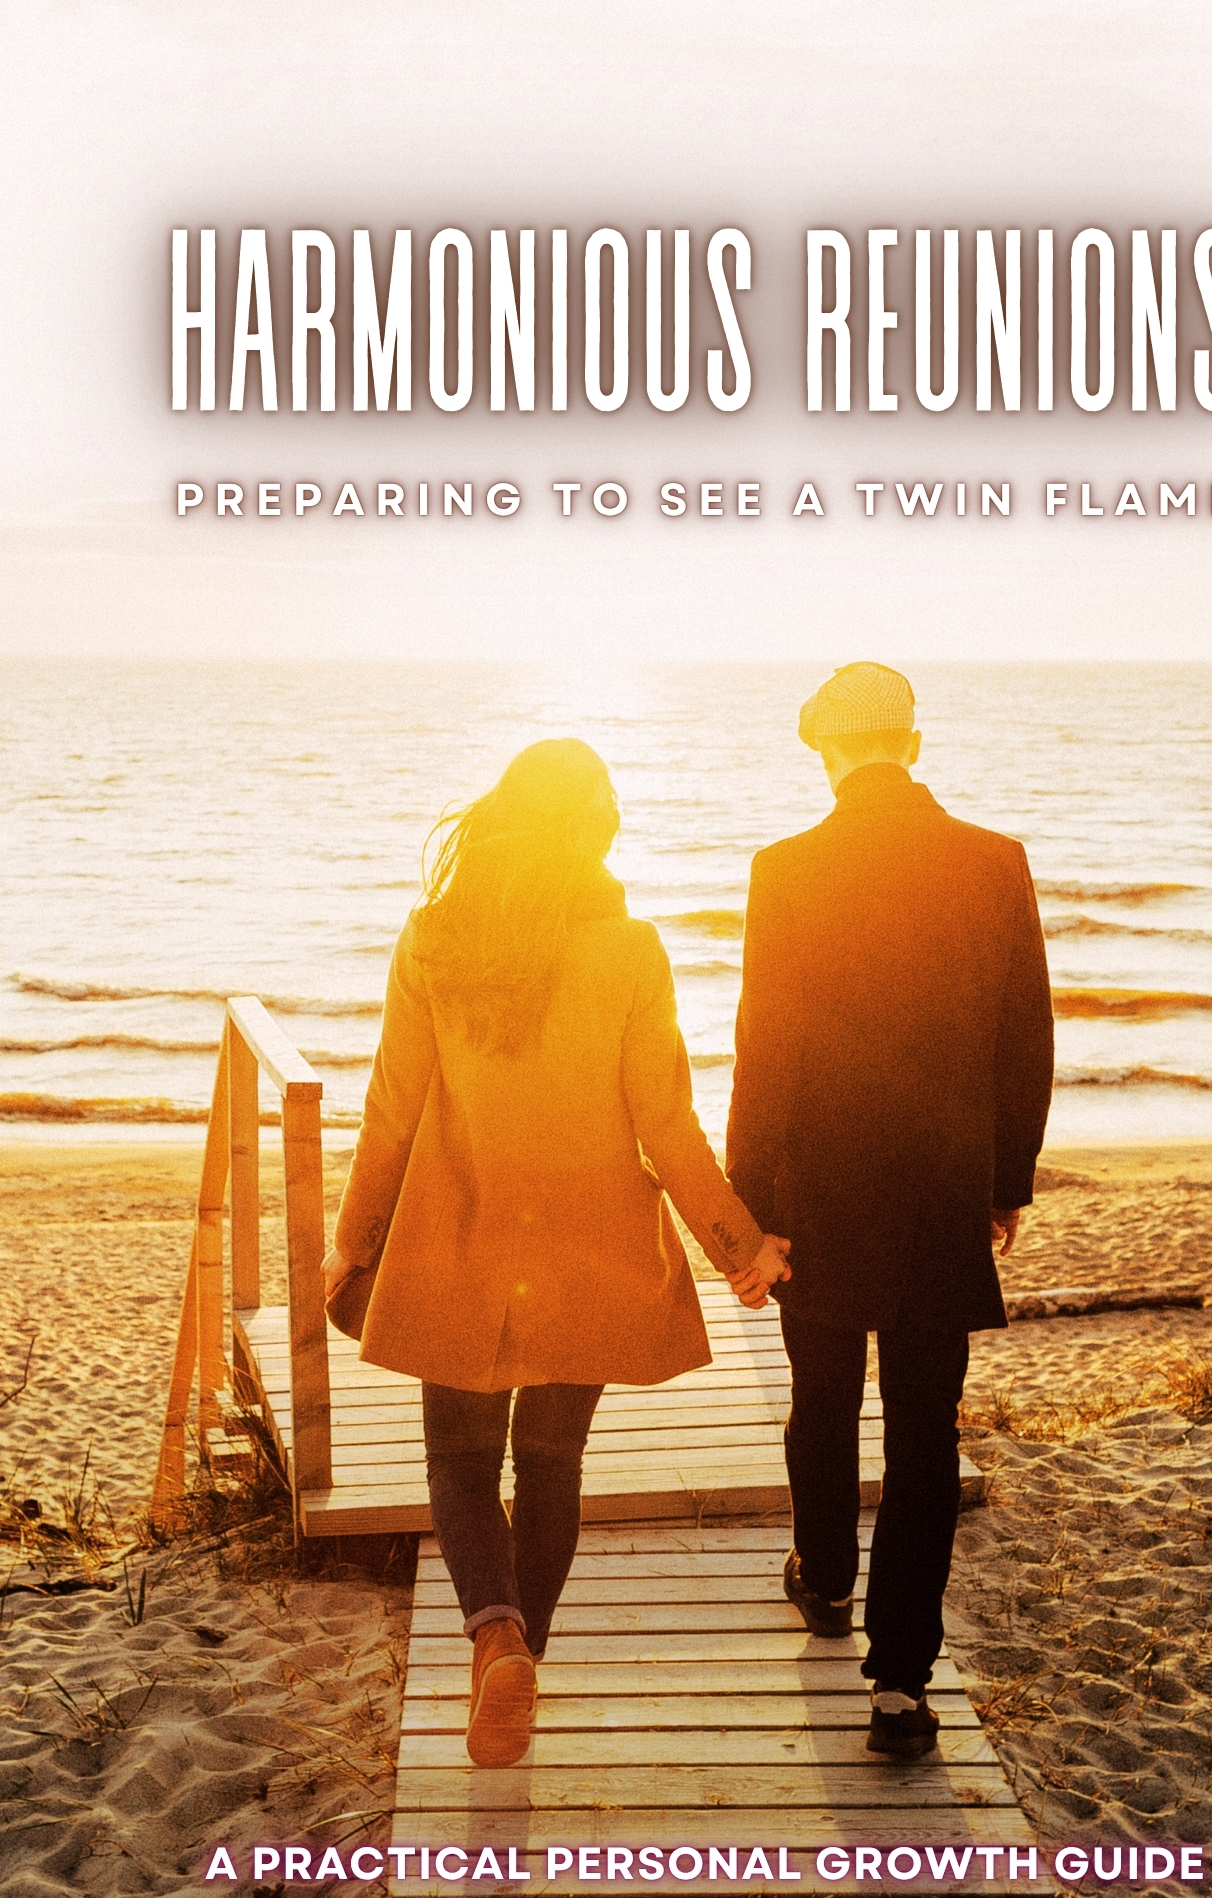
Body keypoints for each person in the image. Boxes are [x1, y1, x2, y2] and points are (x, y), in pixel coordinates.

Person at [323, 738, 790, 1768]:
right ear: (595, 833)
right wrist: (739, 1246)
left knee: (456, 1457)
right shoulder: (631, 950)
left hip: (458, 1238)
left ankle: (496, 1638)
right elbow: (666, 1128)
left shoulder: (434, 940)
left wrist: (351, 1242)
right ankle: (522, 1652)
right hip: (591, 1248)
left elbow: (391, 1113)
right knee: (552, 1462)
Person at [726, 663, 1053, 1758]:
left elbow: (761, 1053)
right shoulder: (992, 862)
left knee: (821, 1401)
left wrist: (746, 1210)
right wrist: (1006, 1180)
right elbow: (1025, 1039)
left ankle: (822, 1577)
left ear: (827, 753)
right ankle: (901, 1686)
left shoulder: (787, 869)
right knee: (922, 1437)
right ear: (911, 747)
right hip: (940, 1192)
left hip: (816, 1193)